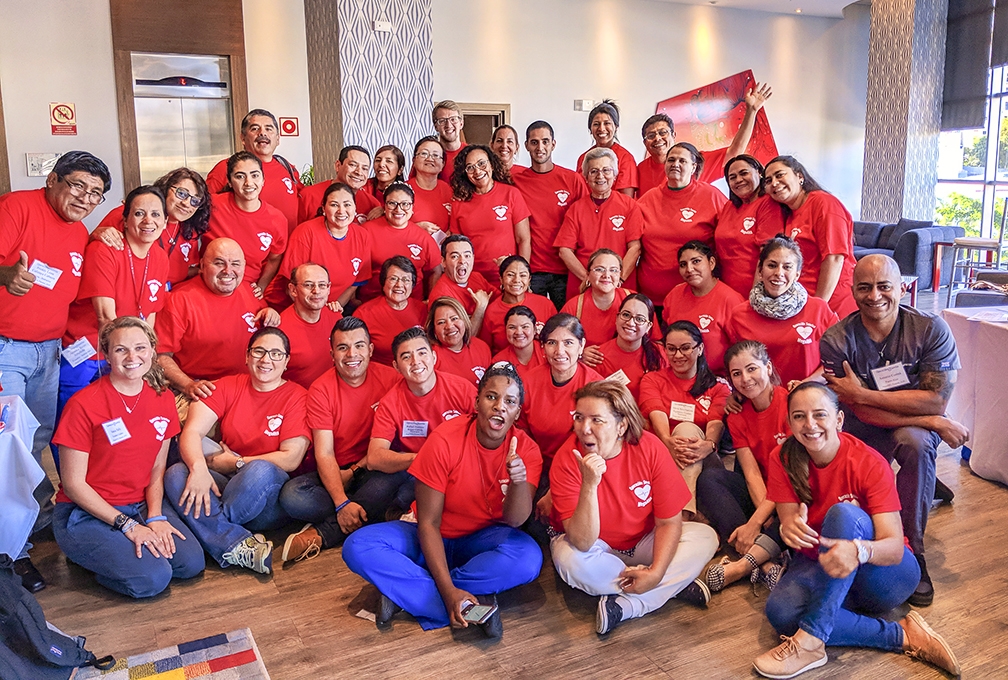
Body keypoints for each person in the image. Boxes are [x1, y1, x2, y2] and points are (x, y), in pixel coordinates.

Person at [753, 383, 959, 679]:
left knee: (843, 515)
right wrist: (790, 531)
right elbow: (788, 525)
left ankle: (811, 640)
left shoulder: (868, 462)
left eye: (819, 415)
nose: (810, 425)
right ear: (790, 422)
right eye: (799, 417)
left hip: (885, 573)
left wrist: (859, 550)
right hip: (823, 565)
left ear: (839, 420)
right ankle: (901, 635)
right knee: (782, 614)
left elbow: (893, 548)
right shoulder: (782, 458)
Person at [342, 362, 543, 636]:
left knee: (528, 558)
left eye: (510, 401)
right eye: (491, 397)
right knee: (359, 545)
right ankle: (471, 603)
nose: (499, 406)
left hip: (480, 541)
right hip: (428, 534)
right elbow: (428, 523)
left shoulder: (527, 450)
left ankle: (406, 594)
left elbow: (514, 519)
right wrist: (448, 592)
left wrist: (518, 480)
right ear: (477, 402)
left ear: (517, 412)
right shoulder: (445, 439)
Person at [819, 254, 970, 607]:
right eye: (865, 287)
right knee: (910, 434)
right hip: (860, 425)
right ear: (853, 291)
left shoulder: (931, 329)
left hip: (901, 427)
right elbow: (856, 411)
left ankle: (913, 549)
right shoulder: (836, 340)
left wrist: (863, 393)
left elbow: (936, 401)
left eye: (884, 286)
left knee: (915, 444)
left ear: (901, 288)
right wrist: (928, 420)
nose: (875, 296)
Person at [0, 150, 111, 592]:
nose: (86, 198)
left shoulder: (81, 231)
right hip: (7, 348)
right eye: (79, 186)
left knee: (38, 440)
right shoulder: (17, 207)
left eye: (96, 194)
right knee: (10, 448)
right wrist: (5, 274)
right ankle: (12, 554)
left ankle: (27, 521)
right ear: (53, 180)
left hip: (50, 350)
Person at [549, 380, 720, 635]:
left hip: (643, 541)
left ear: (621, 426)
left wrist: (657, 571)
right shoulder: (566, 458)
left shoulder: (649, 447)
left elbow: (668, 522)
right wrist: (589, 484)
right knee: (570, 561)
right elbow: (582, 542)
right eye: (579, 418)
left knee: (706, 537)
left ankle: (629, 604)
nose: (584, 429)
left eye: (597, 420)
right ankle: (671, 586)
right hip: (596, 548)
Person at [52, 317, 204, 598]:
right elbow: (73, 485)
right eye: (121, 349)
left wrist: (156, 516)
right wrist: (127, 525)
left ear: (152, 351)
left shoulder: (163, 399)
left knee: (189, 564)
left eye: (140, 348)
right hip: (85, 513)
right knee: (154, 579)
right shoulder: (83, 405)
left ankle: (116, 554)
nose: (132, 357)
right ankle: (87, 555)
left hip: (140, 505)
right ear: (107, 354)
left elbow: (156, 469)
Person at [164, 327, 310, 575]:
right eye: (259, 352)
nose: (266, 360)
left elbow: (291, 458)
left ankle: (208, 531)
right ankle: (235, 543)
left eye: (276, 354)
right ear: (247, 356)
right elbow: (191, 432)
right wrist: (199, 469)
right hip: (227, 484)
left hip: (266, 496)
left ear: (286, 362)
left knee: (260, 470)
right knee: (177, 473)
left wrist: (237, 462)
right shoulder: (227, 386)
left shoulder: (298, 396)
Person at [278, 317, 401, 562]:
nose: (351, 354)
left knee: (396, 477)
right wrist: (341, 502)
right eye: (343, 347)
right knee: (293, 496)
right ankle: (372, 513)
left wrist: (355, 471)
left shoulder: (392, 380)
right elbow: (324, 453)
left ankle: (323, 533)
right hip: (335, 471)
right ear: (332, 353)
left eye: (359, 345)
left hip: (374, 467)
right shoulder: (320, 389)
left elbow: (390, 447)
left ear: (371, 349)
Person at [59, 186, 171, 420]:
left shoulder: (160, 257)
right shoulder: (105, 250)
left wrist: (147, 358)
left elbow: (150, 315)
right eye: (139, 213)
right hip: (87, 351)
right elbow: (105, 318)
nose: (148, 221)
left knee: (119, 422)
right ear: (126, 219)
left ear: (165, 221)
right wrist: (129, 359)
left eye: (156, 214)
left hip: (124, 353)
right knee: (76, 419)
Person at [697, 341, 789, 594]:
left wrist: (757, 522)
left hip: (793, 494)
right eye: (736, 374)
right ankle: (767, 562)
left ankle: (747, 564)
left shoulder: (792, 404)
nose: (745, 379)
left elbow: (792, 479)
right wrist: (763, 519)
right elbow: (751, 473)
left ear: (768, 367)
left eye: (751, 369)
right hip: (764, 497)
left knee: (793, 506)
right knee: (710, 480)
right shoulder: (737, 416)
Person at [365, 327, 478, 519]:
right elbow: (374, 457)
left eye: (422, 353)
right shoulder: (391, 401)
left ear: (434, 357)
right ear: (396, 366)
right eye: (406, 357)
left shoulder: (462, 389)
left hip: (461, 466)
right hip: (415, 469)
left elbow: (489, 434)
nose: (416, 361)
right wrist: (420, 459)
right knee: (374, 494)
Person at [156, 238, 280, 403]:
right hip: (202, 391)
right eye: (219, 263)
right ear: (202, 266)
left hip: (248, 388)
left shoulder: (250, 292)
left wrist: (270, 313)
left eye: (235, 264)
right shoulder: (178, 300)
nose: (228, 271)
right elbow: (160, 356)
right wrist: (188, 385)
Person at [639, 321, 731, 517]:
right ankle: (686, 517)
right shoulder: (652, 379)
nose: (678, 355)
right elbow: (656, 412)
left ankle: (681, 516)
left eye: (685, 348)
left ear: (700, 349)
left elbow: (716, 421)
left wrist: (710, 444)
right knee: (683, 434)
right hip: (660, 452)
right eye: (671, 349)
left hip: (702, 455)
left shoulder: (718, 387)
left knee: (687, 431)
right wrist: (667, 441)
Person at [726, 236, 838, 388]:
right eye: (772, 265)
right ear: (760, 270)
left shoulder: (819, 309)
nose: (779, 273)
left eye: (787, 267)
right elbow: (733, 365)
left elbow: (837, 360)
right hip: (760, 402)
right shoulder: (739, 315)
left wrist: (806, 384)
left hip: (809, 398)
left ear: (797, 274)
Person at [521, 314, 604, 520]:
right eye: (551, 343)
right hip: (538, 466)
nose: (559, 351)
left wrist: (554, 490)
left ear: (582, 345)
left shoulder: (596, 387)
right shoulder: (528, 382)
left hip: (581, 467)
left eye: (568, 343)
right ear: (542, 347)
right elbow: (522, 434)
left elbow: (596, 446)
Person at [636, 82, 772, 192]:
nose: (658, 138)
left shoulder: (696, 160)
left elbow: (735, 151)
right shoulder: (639, 171)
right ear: (645, 143)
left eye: (663, 132)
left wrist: (751, 111)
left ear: (673, 135)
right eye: (651, 135)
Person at [637, 143, 728, 307]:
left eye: (682, 161)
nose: (675, 164)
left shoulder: (712, 196)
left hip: (697, 296)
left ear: (694, 167)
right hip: (652, 298)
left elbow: (729, 236)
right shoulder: (647, 200)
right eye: (670, 160)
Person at [765, 156, 857, 317]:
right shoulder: (789, 214)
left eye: (780, 175)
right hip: (803, 300)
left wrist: (818, 306)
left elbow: (834, 258)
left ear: (799, 176)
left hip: (833, 301)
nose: (774, 182)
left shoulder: (823, 203)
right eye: (768, 180)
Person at [511, 121, 588, 309]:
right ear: (527, 145)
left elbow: (586, 220)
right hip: (533, 269)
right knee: (532, 322)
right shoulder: (515, 181)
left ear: (553, 144)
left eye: (545, 141)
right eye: (534, 142)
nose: (540, 148)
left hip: (565, 268)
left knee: (565, 324)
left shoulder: (572, 180)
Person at [92, 167, 211, 287]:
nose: (186, 203)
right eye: (181, 193)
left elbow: (184, 272)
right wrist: (97, 234)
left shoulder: (190, 229)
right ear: (165, 188)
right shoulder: (130, 214)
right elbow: (90, 249)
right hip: (128, 292)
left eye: (195, 201)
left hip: (171, 296)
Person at [555, 148, 643, 300]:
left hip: (619, 285)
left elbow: (635, 248)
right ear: (586, 177)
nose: (600, 176)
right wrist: (588, 278)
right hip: (583, 285)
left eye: (606, 170)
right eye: (593, 171)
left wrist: (618, 279)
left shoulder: (629, 205)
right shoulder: (576, 208)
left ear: (615, 175)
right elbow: (565, 250)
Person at [205, 151, 287, 300]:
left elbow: (275, 258)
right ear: (229, 182)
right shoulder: (212, 206)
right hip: (211, 285)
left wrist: (261, 286)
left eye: (255, 175)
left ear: (263, 180)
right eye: (240, 176)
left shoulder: (277, 219)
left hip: (248, 289)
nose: (249, 183)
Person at [280, 182, 373, 312]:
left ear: (355, 208)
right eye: (334, 205)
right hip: (300, 307)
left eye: (347, 204)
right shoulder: (305, 232)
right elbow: (290, 286)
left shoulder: (362, 236)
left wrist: (333, 309)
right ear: (323, 208)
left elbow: (355, 282)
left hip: (336, 307)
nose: (341, 211)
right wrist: (318, 312)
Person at [207, 109, 301, 235]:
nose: (262, 133)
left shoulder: (287, 167)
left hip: (285, 249)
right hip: (243, 251)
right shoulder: (226, 167)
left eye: (269, 129)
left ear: (277, 139)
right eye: (255, 129)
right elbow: (203, 209)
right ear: (243, 138)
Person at [449, 145, 532, 283]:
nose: (477, 171)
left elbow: (523, 239)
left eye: (481, 163)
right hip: (471, 278)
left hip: (507, 278)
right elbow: (456, 247)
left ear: (492, 165)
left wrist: (522, 274)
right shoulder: (458, 203)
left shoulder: (511, 194)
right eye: (470, 167)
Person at [661, 241, 745, 375]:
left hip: (717, 378)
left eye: (696, 261)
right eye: (683, 264)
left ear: (711, 263)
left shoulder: (731, 300)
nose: (689, 269)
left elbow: (742, 350)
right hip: (678, 375)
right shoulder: (674, 296)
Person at [714, 154, 786, 298]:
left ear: (759, 173)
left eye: (744, 173)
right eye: (732, 177)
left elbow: (768, 255)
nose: (738, 180)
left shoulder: (768, 203)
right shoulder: (729, 206)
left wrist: (756, 296)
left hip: (755, 291)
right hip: (727, 292)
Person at [359, 183, 441, 302]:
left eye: (405, 204)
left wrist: (430, 301)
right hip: (371, 302)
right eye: (392, 203)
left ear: (412, 207)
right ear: (384, 206)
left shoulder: (423, 237)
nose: (399, 209)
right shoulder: (366, 231)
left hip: (413, 306)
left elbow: (435, 271)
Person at [353, 256, 429, 366]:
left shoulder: (423, 309)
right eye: (393, 278)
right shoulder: (364, 314)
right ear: (383, 282)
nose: (399, 285)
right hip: (382, 375)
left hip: (418, 371)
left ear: (412, 285)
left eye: (406, 280)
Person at [277, 263, 342, 389]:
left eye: (322, 285)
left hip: (330, 395)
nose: (316, 291)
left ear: (328, 289)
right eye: (308, 285)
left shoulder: (336, 318)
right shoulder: (279, 330)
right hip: (296, 401)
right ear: (293, 290)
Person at [595, 294, 666, 402]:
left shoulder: (660, 353)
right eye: (626, 315)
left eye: (639, 319)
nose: (630, 323)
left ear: (649, 326)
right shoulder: (597, 356)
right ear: (617, 318)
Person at [479, 255, 557, 354]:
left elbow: (557, 339)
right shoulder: (491, 311)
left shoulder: (545, 304)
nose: (516, 280)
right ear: (501, 279)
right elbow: (485, 349)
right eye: (510, 275)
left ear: (529, 280)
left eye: (523, 275)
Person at [561, 249, 633, 349]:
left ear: (620, 275)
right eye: (599, 269)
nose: (606, 275)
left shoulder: (633, 300)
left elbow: (654, 341)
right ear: (588, 275)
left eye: (613, 270)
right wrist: (580, 354)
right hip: (587, 364)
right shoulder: (574, 306)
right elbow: (559, 343)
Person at [297, 145, 381, 225]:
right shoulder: (308, 195)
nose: (359, 172)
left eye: (365, 168)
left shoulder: (372, 204)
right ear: (338, 166)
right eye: (352, 165)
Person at [427, 234, 494, 335]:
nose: (462, 261)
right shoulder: (441, 296)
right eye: (455, 256)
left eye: (467, 256)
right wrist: (480, 309)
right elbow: (461, 339)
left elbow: (501, 300)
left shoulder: (476, 277)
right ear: (443, 262)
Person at [576, 100, 638, 196]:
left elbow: (626, 201)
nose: (601, 128)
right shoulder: (583, 158)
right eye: (596, 124)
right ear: (590, 129)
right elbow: (579, 192)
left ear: (616, 127)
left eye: (607, 123)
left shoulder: (625, 158)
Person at [426, 297, 492, 387]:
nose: (449, 326)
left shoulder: (481, 347)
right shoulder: (430, 357)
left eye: (454, 319)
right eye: (441, 322)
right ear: (433, 329)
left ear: (464, 320)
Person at [407, 136, 453, 239]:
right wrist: (415, 228)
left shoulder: (450, 191)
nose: (430, 158)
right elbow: (390, 227)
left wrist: (452, 232)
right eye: (424, 153)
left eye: (436, 155)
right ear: (414, 160)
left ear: (443, 164)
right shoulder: (402, 190)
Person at [491, 305, 546, 385]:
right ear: (505, 330)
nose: (519, 332)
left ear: (534, 330)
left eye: (525, 327)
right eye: (512, 327)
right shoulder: (499, 361)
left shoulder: (547, 352)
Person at [431, 100, 466, 183]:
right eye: (442, 120)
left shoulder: (471, 154)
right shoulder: (428, 157)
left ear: (461, 124)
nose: (448, 125)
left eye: (453, 119)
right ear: (436, 127)